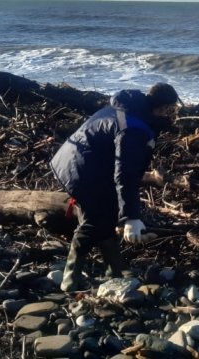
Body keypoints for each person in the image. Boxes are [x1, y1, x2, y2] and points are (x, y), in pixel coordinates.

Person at [50, 82, 181, 292]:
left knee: (108, 214)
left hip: (81, 160)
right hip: (81, 169)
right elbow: (125, 172)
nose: (170, 115)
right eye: (170, 110)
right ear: (162, 107)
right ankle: (70, 278)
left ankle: (114, 271)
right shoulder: (133, 127)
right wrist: (130, 216)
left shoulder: (129, 108)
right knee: (93, 222)